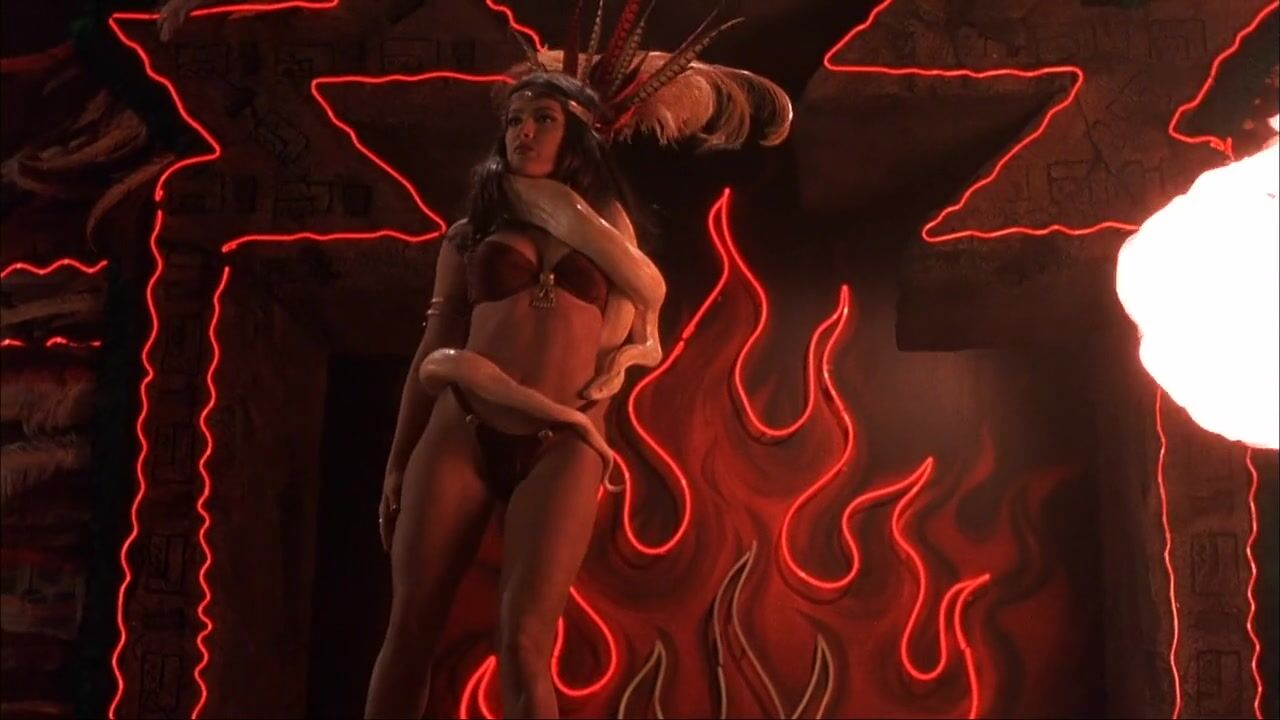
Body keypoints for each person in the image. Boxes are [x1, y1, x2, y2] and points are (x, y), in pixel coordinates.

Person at [369, 4, 792, 717]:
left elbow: (625, 347)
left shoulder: (618, 245)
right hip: (462, 422)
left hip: (563, 441)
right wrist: (396, 458)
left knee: (525, 642)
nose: (524, 132)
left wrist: (589, 416)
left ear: (576, 138)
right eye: (515, 121)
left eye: (543, 120)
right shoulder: (471, 235)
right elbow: (431, 344)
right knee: (411, 625)